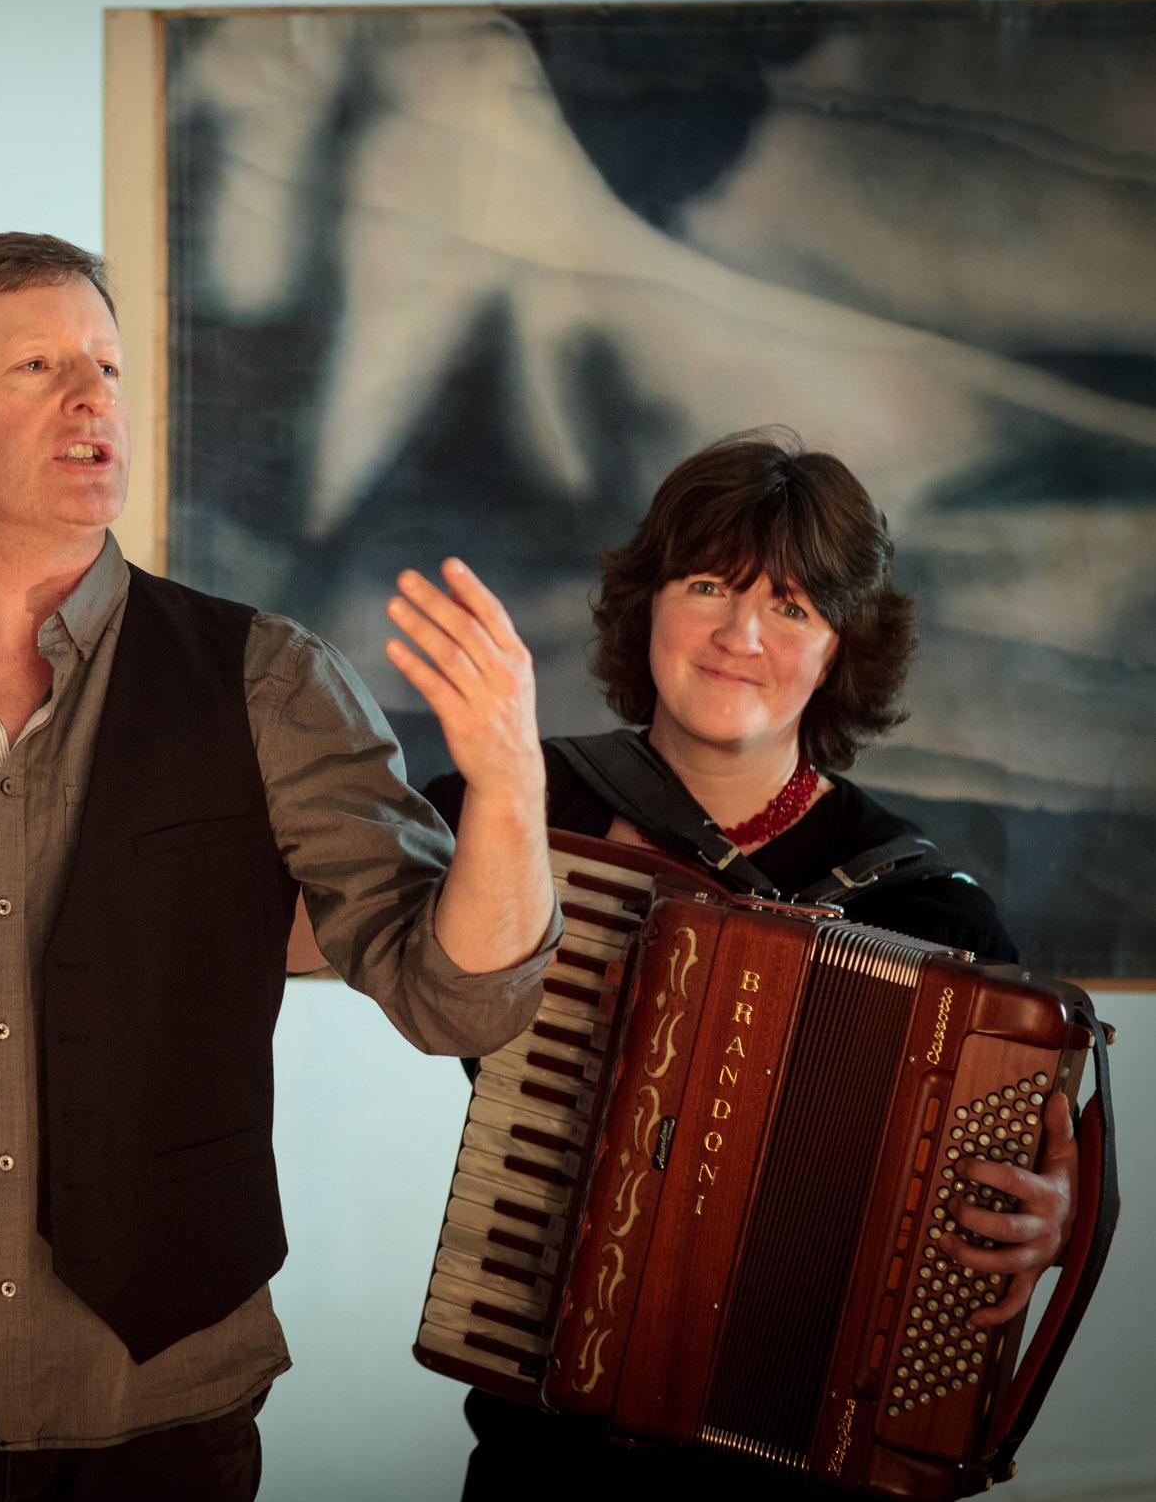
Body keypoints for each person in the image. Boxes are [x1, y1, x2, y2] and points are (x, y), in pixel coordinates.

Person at [0, 233, 563, 1501]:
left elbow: (454, 998)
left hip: (162, 1408)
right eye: (38, 365)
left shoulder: (271, 682)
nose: (94, 401)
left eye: (108, 367)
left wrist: (510, 788)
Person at [417, 430, 1078, 1496]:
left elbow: (1024, 1194)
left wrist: (1044, 1222)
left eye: (792, 607)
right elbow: (307, 935)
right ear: (650, 605)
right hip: (551, 1444)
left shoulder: (928, 913)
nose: (739, 634)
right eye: (708, 583)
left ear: (836, 651)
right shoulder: (519, 803)